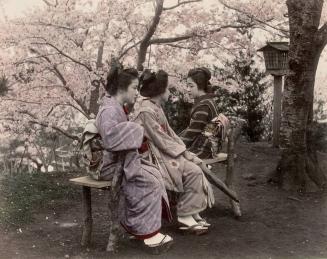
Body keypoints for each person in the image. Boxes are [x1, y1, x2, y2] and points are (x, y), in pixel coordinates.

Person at [96, 64, 173, 252]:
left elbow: (121, 134)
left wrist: (133, 131)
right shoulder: (108, 110)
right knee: (150, 183)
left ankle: (141, 229)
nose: (136, 92)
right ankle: (148, 234)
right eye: (133, 88)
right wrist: (137, 130)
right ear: (122, 88)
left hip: (121, 162)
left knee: (155, 173)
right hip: (109, 166)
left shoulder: (115, 106)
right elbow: (111, 138)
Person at [132, 69, 214, 235]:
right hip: (151, 155)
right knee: (193, 170)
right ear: (160, 91)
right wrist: (185, 154)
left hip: (163, 151)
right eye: (168, 88)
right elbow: (161, 140)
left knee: (193, 168)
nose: (170, 91)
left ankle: (191, 211)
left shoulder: (155, 107)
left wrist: (186, 153)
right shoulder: (145, 111)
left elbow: (171, 135)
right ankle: (185, 214)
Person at [180, 67, 228, 160]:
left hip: (204, 148)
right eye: (187, 86)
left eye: (191, 86)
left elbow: (192, 132)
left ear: (200, 85)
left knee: (174, 159)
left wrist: (176, 146)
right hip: (204, 144)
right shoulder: (207, 101)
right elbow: (191, 129)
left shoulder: (204, 106)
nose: (188, 89)